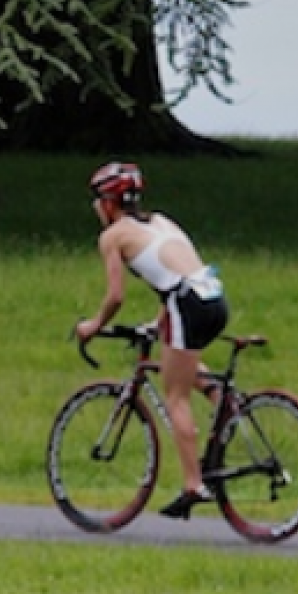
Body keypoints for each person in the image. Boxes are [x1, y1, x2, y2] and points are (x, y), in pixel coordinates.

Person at [75, 162, 230, 520]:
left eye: (97, 201)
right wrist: (156, 324)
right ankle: (227, 408)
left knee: (174, 395)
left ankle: (193, 485)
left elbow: (116, 297)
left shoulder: (112, 237)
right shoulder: (162, 221)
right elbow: (176, 278)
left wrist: (94, 325)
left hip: (186, 305)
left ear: (108, 203)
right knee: (185, 368)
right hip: (213, 300)